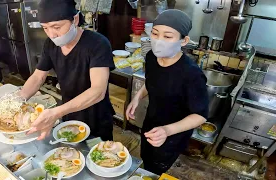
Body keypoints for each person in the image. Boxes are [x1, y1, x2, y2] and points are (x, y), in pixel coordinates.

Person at [126, 9, 209, 175]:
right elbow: (151, 82)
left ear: (183, 40)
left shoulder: (191, 74)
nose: (158, 41)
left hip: (173, 133)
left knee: (158, 166)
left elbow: (200, 115)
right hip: (151, 123)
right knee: (146, 157)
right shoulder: (151, 57)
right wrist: (137, 97)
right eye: (155, 34)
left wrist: (167, 131)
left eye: (168, 36)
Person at [19, 0, 115, 141]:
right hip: (69, 113)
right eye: (45, 28)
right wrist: (18, 100)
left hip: (96, 116)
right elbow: (38, 77)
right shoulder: (50, 45)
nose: (52, 34)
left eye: (56, 27)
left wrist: (55, 112)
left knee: (97, 155)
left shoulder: (98, 44)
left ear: (75, 19)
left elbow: (98, 91)